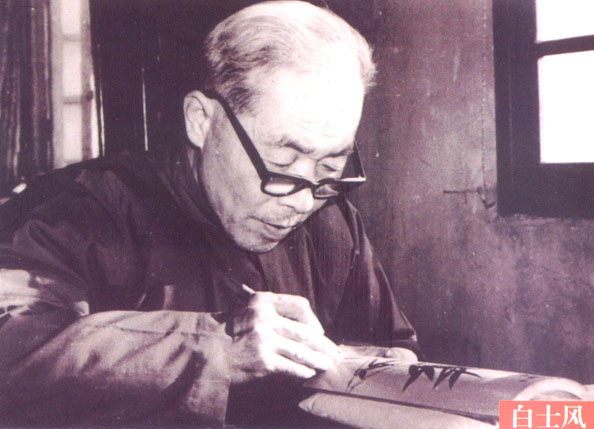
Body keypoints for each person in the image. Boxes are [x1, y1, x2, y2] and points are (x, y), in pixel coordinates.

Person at [0, 1, 419, 426]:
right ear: (201, 119)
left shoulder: (332, 224)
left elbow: (390, 348)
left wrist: (392, 372)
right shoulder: (75, 211)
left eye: (330, 167)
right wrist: (217, 346)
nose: (303, 202)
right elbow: (11, 358)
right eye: (282, 164)